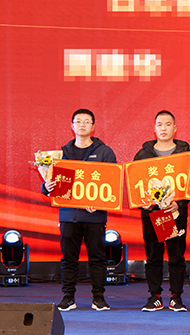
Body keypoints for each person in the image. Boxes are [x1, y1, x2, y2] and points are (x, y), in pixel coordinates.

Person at [41, 108, 116, 312]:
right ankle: (68, 298)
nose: (82, 125)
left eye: (86, 121)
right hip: (69, 214)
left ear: (93, 126)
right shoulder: (61, 154)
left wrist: (99, 202)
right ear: (72, 126)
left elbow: (112, 183)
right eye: (78, 121)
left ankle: (98, 298)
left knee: (97, 258)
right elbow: (51, 183)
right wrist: (46, 187)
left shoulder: (105, 152)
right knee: (68, 259)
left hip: (95, 216)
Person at [134, 110, 190, 312]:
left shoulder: (185, 154)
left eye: (168, 124)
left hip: (175, 214)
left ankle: (176, 297)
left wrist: (179, 204)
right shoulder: (143, 155)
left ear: (175, 128)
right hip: (152, 215)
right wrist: (143, 203)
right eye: (160, 124)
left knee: (177, 257)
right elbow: (136, 186)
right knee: (153, 257)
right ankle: (154, 297)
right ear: (154, 128)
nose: (163, 128)